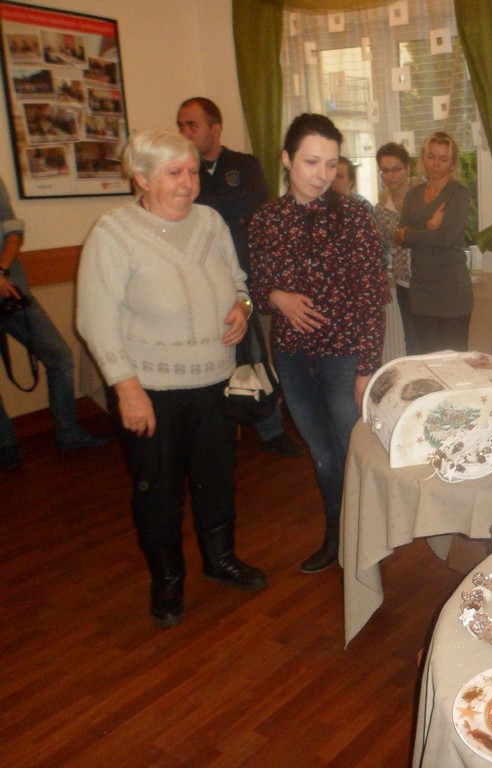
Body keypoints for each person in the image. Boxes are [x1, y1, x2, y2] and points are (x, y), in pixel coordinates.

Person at [76, 130, 267, 628]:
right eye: (173, 173)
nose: (188, 183)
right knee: (157, 491)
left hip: (216, 381)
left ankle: (220, 560)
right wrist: (126, 388)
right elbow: (96, 318)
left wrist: (243, 307)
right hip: (151, 391)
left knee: (217, 479)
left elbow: (240, 282)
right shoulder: (114, 232)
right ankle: (167, 580)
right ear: (141, 178)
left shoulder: (211, 221)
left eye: (192, 172)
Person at [247, 114, 385, 574]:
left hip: (344, 357)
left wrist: (367, 368)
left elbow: (371, 296)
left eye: (331, 163)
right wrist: (276, 296)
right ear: (287, 160)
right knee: (323, 453)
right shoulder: (266, 220)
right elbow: (257, 284)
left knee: (353, 451)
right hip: (292, 357)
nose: (322, 174)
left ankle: (370, 536)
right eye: (311, 162)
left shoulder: (355, 217)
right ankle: (337, 535)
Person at [176, 96, 304, 459]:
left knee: (255, 354)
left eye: (192, 125)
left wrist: (207, 205)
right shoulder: (183, 170)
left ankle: (271, 428)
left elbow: (255, 206)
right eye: (181, 126)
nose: (185, 132)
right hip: (199, 280)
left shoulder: (244, 165)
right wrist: (224, 206)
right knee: (211, 352)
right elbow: (195, 211)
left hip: (245, 280)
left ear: (215, 128)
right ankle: (215, 428)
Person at [0, 177, 110, 472]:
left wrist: (1, 271)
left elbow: (13, 231)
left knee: (59, 357)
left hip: (13, 292)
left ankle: (68, 433)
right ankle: (5, 444)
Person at [395, 131, 472, 353]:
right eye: (431, 156)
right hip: (421, 292)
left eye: (443, 158)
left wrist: (412, 233)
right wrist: (430, 227)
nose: (436, 164)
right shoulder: (413, 195)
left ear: (452, 164)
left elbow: (446, 238)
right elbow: (400, 238)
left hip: (453, 292)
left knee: (453, 362)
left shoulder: (459, 194)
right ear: (423, 158)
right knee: (427, 359)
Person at [373, 142, 418, 354]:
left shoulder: (424, 196)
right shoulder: (381, 209)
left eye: (396, 169)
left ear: (407, 168)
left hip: (432, 281)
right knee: (412, 341)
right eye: (385, 170)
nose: (391, 176)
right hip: (403, 282)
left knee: (436, 342)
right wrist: (383, 277)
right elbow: (381, 246)